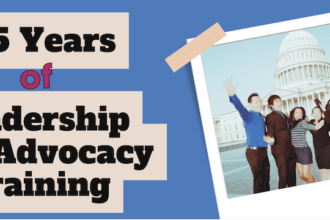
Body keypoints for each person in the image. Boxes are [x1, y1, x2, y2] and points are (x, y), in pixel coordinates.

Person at [223, 79, 273, 194]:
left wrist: (268, 138)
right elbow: (240, 107)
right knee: (259, 181)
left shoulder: (261, 117)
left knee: (266, 180)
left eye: (260, 101)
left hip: (263, 152)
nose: (259, 103)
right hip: (254, 153)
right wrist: (232, 95)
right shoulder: (248, 116)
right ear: (250, 104)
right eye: (256, 101)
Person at [266, 95, 296, 189]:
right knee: (284, 175)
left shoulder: (283, 115)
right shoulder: (270, 116)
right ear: (271, 105)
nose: (280, 103)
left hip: (290, 149)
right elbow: (270, 130)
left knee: (292, 175)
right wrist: (271, 139)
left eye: (280, 101)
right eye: (276, 102)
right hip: (279, 150)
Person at [289, 107, 323, 184]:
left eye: (300, 113)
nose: (298, 114)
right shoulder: (290, 124)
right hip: (295, 151)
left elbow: (313, 127)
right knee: (301, 175)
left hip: (304, 151)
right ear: (293, 114)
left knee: (306, 175)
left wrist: (320, 123)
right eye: (297, 112)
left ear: (303, 115)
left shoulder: (303, 122)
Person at [309, 102, 330, 181]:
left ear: (321, 113)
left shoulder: (325, 121)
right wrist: (318, 126)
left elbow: (329, 122)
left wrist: (325, 110)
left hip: (327, 148)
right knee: (322, 171)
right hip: (317, 149)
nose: (316, 114)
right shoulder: (311, 122)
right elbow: (313, 131)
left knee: (328, 170)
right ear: (312, 114)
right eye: (314, 112)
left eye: (319, 112)